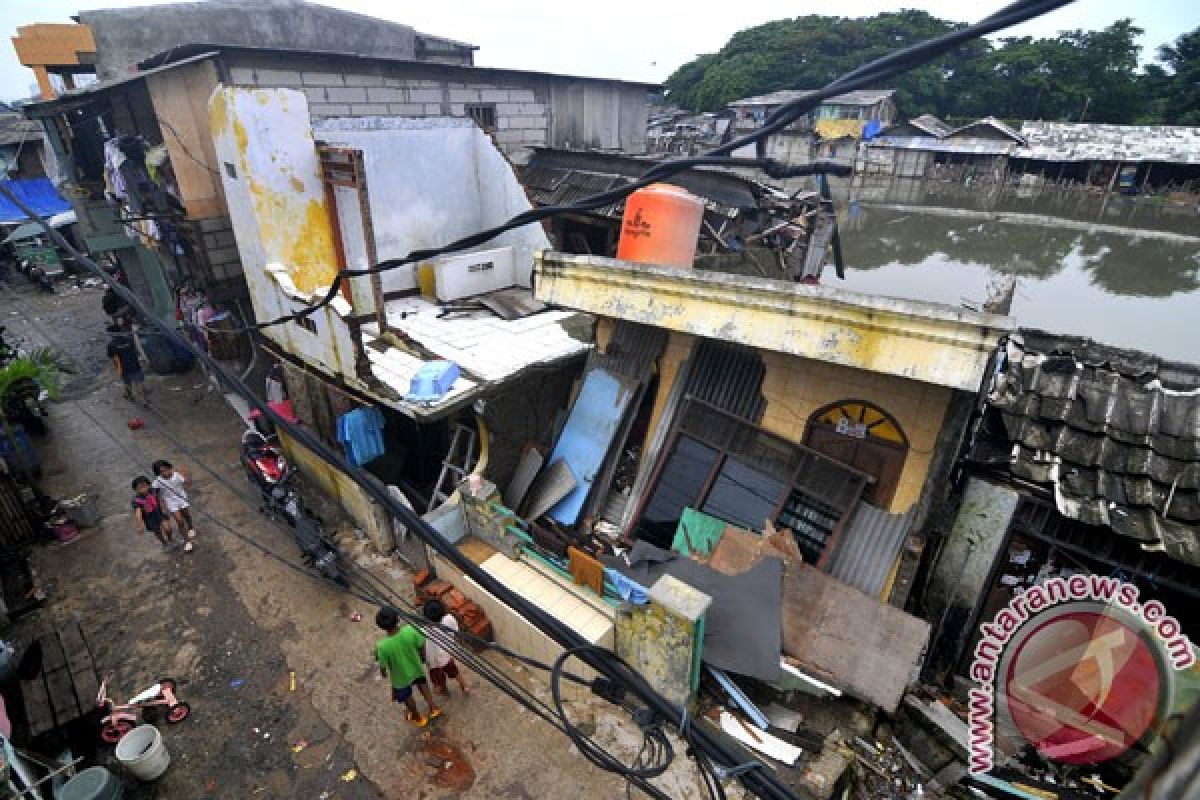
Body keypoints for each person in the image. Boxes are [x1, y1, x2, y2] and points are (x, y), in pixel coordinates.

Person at [374, 606, 442, 728]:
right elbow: (421, 646)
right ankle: (433, 707)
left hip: (400, 679)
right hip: (416, 668)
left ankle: (418, 717)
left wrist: (383, 673)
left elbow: (383, 666)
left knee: (407, 697)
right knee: (423, 685)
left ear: (381, 626)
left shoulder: (382, 647)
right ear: (397, 619)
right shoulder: (411, 630)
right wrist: (422, 658)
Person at [422, 600, 470, 696]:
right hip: (446, 654)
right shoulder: (449, 619)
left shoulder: (424, 629)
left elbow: (423, 645)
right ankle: (464, 686)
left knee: (437, 677)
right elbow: (457, 634)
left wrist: (423, 657)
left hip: (433, 660)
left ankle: (442, 688)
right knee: (454, 671)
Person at [153, 459, 195, 553]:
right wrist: (161, 506)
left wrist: (186, 475)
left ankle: (191, 527)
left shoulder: (177, 475)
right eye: (161, 471)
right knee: (179, 521)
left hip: (181, 498)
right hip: (171, 502)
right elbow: (156, 495)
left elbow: (188, 483)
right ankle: (187, 541)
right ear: (158, 473)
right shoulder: (158, 482)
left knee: (186, 515)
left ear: (170, 468)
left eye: (166, 469)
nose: (165, 473)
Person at [131, 475, 176, 552]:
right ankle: (164, 543)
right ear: (135, 490)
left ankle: (170, 539)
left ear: (149, 485)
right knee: (157, 531)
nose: (143, 489)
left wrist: (165, 508)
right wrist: (139, 525)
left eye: (145, 486)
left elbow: (160, 498)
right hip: (150, 518)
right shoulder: (136, 500)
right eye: (140, 488)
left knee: (167, 528)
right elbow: (138, 513)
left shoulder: (153, 490)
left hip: (160, 513)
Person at [106, 324, 145, 403]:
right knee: (138, 383)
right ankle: (144, 401)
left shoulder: (111, 345)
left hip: (123, 367)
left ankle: (129, 395)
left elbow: (112, 357)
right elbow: (136, 350)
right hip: (134, 364)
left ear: (111, 334)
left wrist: (116, 367)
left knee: (126, 381)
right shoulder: (129, 339)